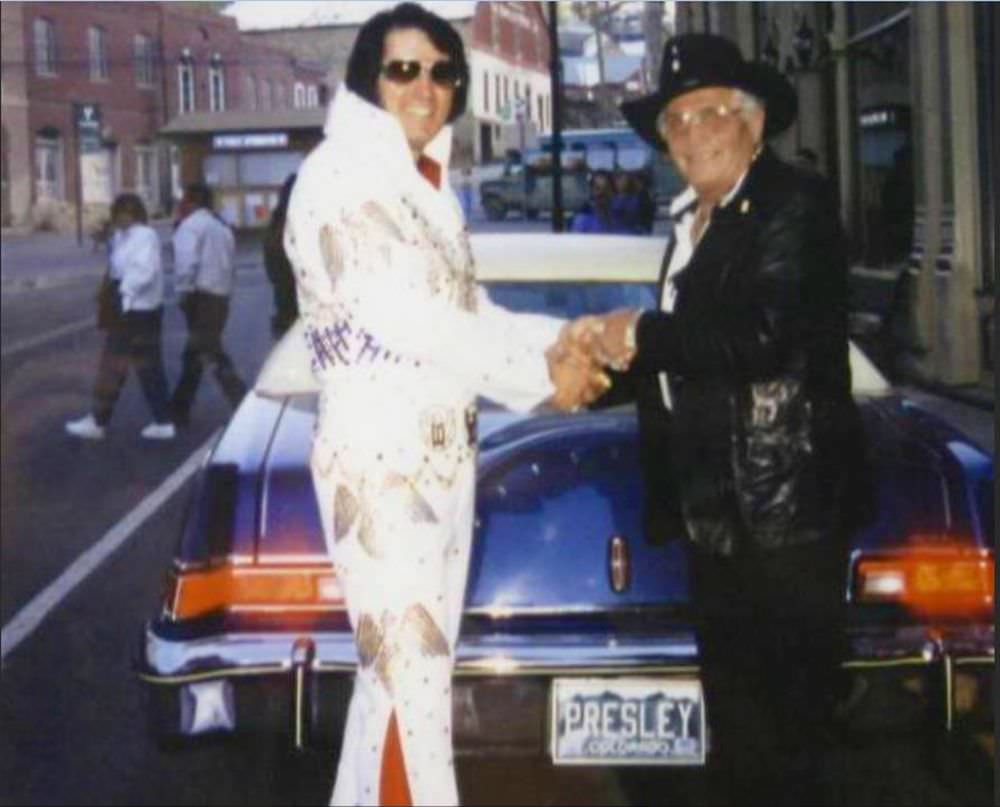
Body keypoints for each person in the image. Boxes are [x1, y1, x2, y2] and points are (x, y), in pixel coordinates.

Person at [282, 4, 605, 804]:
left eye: (442, 72)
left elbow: (469, 311)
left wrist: (569, 339)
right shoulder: (345, 174)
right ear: (368, 79)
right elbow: (412, 319)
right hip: (384, 472)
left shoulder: (423, 186)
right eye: (403, 69)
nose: (425, 87)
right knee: (409, 691)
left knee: (397, 685)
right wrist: (546, 375)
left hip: (435, 462)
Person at [564, 33, 872, 805]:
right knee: (738, 739)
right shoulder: (692, 222)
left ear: (754, 124)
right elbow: (689, 366)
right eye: (676, 121)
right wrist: (601, 374)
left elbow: (763, 338)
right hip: (718, 519)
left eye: (711, 113)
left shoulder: (793, 206)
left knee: (787, 743)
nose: (694, 132)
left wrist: (640, 332)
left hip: (783, 519)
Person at [66, 193, 175, 441]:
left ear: (136, 213)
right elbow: (117, 267)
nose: (123, 218)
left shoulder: (144, 236)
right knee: (147, 367)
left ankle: (98, 421)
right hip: (135, 308)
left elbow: (143, 271)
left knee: (113, 365)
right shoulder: (121, 237)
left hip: (137, 308)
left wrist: (124, 295)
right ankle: (162, 420)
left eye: (127, 212)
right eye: (119, 212)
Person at [170, 183, 247, 425]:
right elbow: (230, 265)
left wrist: (183, 291)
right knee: (198, 351)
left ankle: (242, 400)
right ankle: (179, 407)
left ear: (191, 202)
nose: (180, 205)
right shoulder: (221, 229)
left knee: (208, 351)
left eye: (184, 199)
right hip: (220, 296)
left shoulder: (190, 227)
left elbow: (186, 262)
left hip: (200, 294)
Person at [263, 173, 299, 338]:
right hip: (304, 314)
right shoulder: (300, 225)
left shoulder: (275, 227)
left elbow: (273, 272)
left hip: (286, 311)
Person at [570, 169, 616, 233]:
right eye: (597, 188)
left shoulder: (620, 215)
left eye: (606, 189)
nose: (601, 195)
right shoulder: (583, 218)